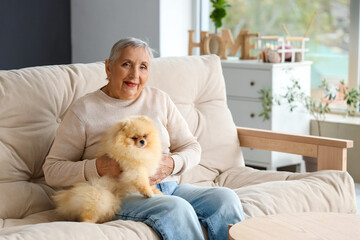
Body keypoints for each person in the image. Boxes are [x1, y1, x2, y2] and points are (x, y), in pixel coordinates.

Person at [43, 37, 245, 240]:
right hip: (120, 194)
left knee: (225, 198)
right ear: (108, 67)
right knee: (175, 208)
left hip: (169, 188)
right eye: (126, 64)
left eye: (143, 67)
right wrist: (98, 167)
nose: (134, 75)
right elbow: (52, 170)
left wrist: (171, 163)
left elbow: (192, 147)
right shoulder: (84, 110)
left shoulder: (160, 100)